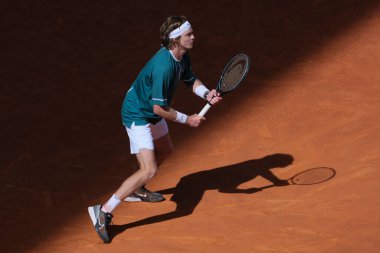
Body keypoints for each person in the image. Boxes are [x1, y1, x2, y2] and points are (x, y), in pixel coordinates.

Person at [88, 15, 222, 243]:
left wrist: (206, 93)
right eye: (188, 35)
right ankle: (103, 211)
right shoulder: (163, 67)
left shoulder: (182, 56)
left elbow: (191, 80)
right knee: (149, 169)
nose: (193, 37)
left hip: (150, 110)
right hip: (138, 114)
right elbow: (159, 108)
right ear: (175, 40)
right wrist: (187, 119)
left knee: (166, 150)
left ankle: (137, 189)